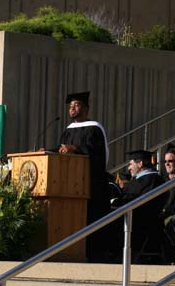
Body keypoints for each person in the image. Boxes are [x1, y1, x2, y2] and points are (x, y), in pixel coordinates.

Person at [54, 91, 110, 260]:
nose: (72, 108)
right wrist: (48, 150)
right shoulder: (68, 131)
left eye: (76, 105)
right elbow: (61, 149)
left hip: (91, 185)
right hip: (70, 186)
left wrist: (76, 149)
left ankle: (95, 254)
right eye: (70, 106)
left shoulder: (94, 129)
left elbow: (97, 155)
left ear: (86, 108)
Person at [114, 150, 166, 255]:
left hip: (141, 223)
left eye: (131, 164)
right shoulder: (138, 181)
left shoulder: (153, 181)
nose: (129, 168)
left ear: (140, 163)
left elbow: (144, 205)